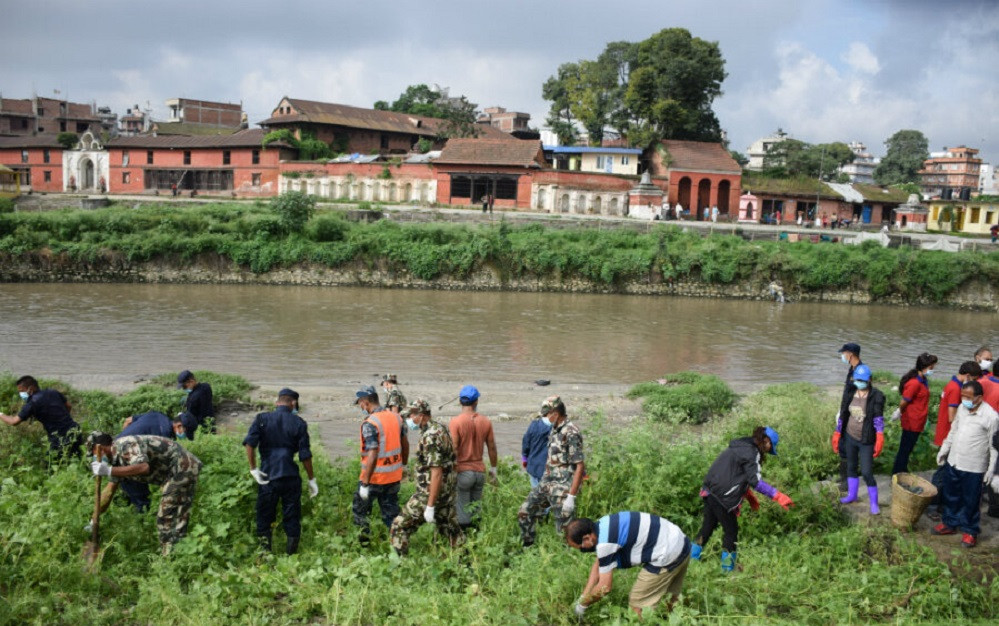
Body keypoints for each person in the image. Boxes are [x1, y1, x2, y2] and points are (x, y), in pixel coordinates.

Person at [691, 426, 792, 572]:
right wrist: (777, 495)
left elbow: (736, 474)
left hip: (709, 490)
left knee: (708, 525)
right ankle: (727, 569)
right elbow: (755, 481)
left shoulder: (740, 445)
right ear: (766, 440)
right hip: (723, 496)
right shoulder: (752, 452)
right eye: (770, 447)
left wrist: (749, 496)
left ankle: (691, 559)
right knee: (731, 531)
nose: (768, 451)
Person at [87, 431, 202, 555]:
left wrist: (109, 470)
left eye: (93, 453)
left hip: (182, 466)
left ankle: (169, 557)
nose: (95, 457)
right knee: (178, 514)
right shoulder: (116, 460)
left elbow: (143, 467)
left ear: (99, 448)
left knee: (166, 517)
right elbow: (108, 492)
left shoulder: (125, 445)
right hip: (174, 472)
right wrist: (94, 520)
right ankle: (180, 552)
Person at [566, 512, 691, 619]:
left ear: (588, 538)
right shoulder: (603, 525)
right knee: (670, 600)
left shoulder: (605, 544)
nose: (582, 550)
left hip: (668, 553)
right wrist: (583, 596)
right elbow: (598, 565)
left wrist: (583, 605)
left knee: (637, 604)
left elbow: (605, 587)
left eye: (580, 548)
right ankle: (677, 619)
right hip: (680, 541)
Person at [244, 388, 317, 555]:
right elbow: (305, 455)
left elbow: (250, 443)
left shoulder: (262, 419)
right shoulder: (299, 423)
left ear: (277, 402)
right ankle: (291, 556)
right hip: (290, 477)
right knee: (292, 516)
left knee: (264, 516)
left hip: (267, 476)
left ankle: (265, 554)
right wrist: (312, 479)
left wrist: (253, 468)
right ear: (293, 403)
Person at [389, 399, 464, 555]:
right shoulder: (440, 428)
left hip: (429, 494)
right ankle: (466, 565)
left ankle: (399, 566)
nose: (409, 419)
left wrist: (430, 506)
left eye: (411, 416)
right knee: (452, 532)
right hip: (446, 493)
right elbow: (452, 459)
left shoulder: (430, 436)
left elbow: (436, 471)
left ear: (422, 416)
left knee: (399, 526)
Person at [932, 381, 999, 548]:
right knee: (951, 494)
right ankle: (949, 523)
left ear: (979, 398)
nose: (964, 400)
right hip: (955, 461)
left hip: (974, 466)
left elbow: (994, 445)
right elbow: (953, 430)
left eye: (968, 397)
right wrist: (944, 450)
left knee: (971, 500)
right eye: (963, 396)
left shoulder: (991, 417)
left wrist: (992, 470)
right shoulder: (962, 409)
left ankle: (970, 530)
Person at [518, 396, 585, 547]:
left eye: (548, 414)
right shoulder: (554, 430)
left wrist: (571, 497)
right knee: (525, 511)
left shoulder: (571, 432)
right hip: (546, 484)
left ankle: (566, 560)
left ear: (556, 412)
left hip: (563, 489)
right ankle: (529, 547)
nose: (546, 417)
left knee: (564, 532)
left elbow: (579, 466)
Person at [353, 385, 408, 545]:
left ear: (365, 402)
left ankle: (364, 547)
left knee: (361, 513)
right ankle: (398, 548)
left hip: (374, 479)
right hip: (393, 477)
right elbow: (405, 443)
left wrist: (364, 483)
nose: (360, 407)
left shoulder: (370, 423)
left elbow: (373, 451)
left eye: (360, 404)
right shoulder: (396, 417)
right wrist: (403, 464)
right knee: (391, 515)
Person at [929, 361, 982, 521]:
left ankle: (940, 504)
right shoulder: (955, 389)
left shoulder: (952, 384)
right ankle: (933, 506)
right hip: (948, 435)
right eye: (973, 379)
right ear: (967, 376)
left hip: (945, 433)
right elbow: (952, 417)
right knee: (942, 474)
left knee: (945, 473)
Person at [832, 364, 885, 515]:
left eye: (863, 380)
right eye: (857, 380)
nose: (859, 382)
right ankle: (852, 495)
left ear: (869, 380)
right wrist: (837, 432)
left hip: (866, 439)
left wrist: (880, 435)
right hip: (850, 436)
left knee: (867, 472)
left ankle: (874, 503)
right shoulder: (850, 392)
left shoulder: (876, 396)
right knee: (851, 467)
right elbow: (843, 412)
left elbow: (878, 417)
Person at [448, 385, 498, 530]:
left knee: (463, 513)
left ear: (460, 402)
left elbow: (454, 448)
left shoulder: (455, 422)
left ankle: (465, 546)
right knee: (476, 510)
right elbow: (492, 448)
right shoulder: (486, 421)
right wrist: (493, 469)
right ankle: (477, 540)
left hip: (463, 472)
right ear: (476, 402)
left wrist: (450, 471)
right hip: (479, 472)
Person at [116, 410, 185, 513]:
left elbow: (128, 420)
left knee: (129, 483)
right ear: (179, 426)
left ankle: (131, 501)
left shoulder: (158, 415)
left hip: (117, 445)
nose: (185, 436)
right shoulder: (164, 435)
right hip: (128, 457)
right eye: (186, 432)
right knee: (140, 495)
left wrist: (125, 438)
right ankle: (141, 518)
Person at [0, 375, 81, 459]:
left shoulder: (32, 403)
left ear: (30, 389)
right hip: (74, 430)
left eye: (22, 391)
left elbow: (13, 421)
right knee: (76, 459)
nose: (21, 394)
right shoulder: (52, 392)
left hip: (58, 438)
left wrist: (1, 414)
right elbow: (69, 406)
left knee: (51, 464)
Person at [891, 353, 938, 475]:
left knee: (909, 448)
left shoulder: (923, 380)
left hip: (918, 420)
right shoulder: (914, 383)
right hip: (911, 421)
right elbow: (904, 401)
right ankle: (897, 472)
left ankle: (902, 469)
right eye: (932, 367)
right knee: (905, 449)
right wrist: (899, 412)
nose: (933, 370)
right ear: (925, 366)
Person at [836, 343, 864, 490]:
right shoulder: (852, 369)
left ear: (851, 354)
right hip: (845, 413)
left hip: (853, 415)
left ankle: (848, 481)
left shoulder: (861, 372)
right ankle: (843, 478)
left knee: (850, 447)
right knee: (842, 445)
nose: (843, 356)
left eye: (844, 353)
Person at [177, 370, 214, 439]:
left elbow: (190, 418)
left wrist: (181, 415)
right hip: (211, 422)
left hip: (200, 428)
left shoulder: (193, 399)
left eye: (184, 386)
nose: (183, 388)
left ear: (191, 381)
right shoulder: (206, 386)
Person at [521, 411, 553, 489]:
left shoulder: (534, 425)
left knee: (536, 494)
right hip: (552, 469)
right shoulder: (559, 427)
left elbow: (526, 443)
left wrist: (524, 458)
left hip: (535, 467)